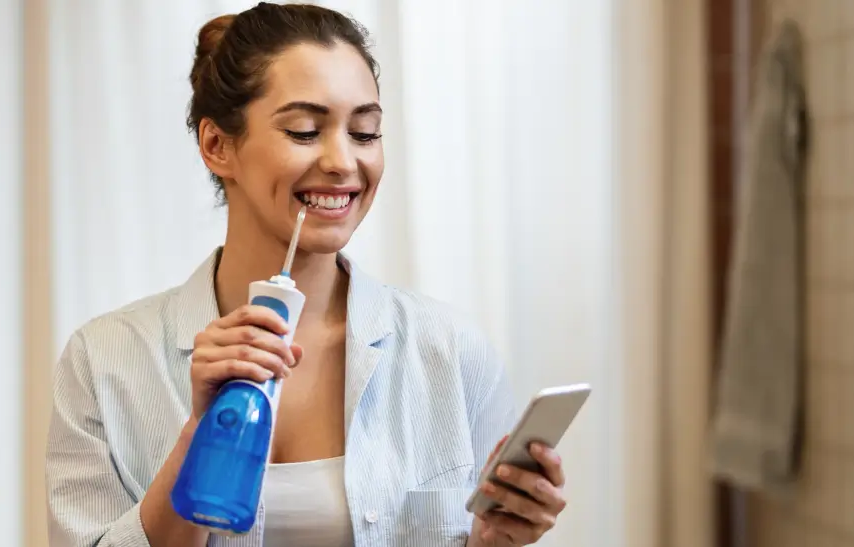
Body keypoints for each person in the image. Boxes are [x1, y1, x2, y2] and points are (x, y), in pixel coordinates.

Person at [45, 3, 568, 546]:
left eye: (365, 133)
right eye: (303, 130)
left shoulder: (455, 356)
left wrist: (492, 542)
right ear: (217, 145)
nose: (343, 161)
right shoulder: (103, 363)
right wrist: (199, 438)